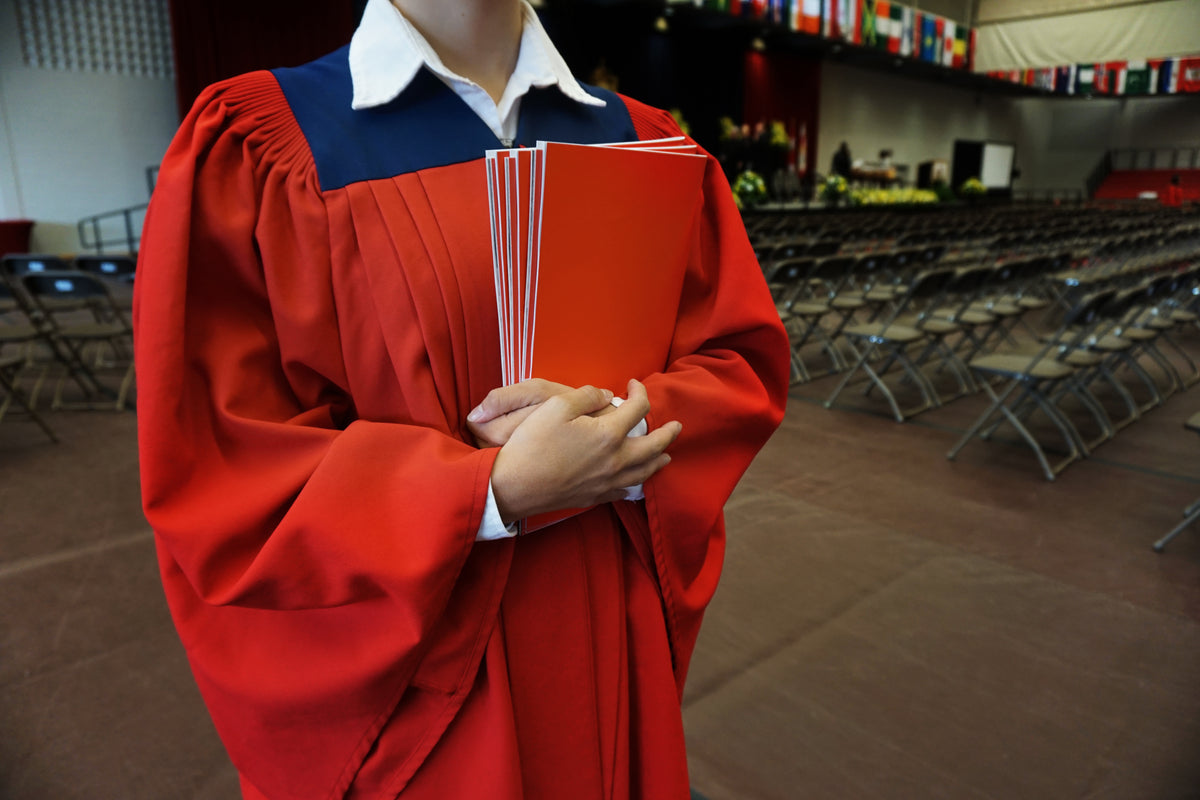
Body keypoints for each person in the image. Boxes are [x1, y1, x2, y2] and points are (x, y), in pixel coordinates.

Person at [133, 0, 789, 798]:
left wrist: (623, 427)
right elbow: (219, 465)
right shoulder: (264, 146)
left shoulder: (645, 138)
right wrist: (487, 490)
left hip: (606, 630)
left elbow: (737, 363)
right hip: (419, 678)